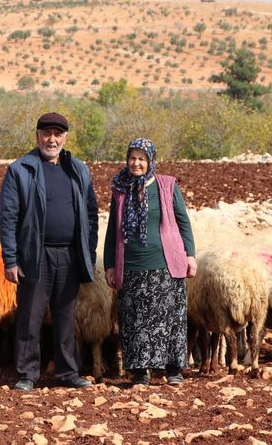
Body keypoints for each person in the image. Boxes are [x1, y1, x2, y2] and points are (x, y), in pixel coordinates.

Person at [0, 112, 99, 391]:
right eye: (46, 133)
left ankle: (68, 372)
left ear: (65, 137)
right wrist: (11, 259)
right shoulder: (21, 169)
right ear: (37, 135)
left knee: (66, 315)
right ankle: (27, 375)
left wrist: (87, 254)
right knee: (30, 315)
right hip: (35, 254)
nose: (51, 139)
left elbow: (91, 214)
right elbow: (8, 217)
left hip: (69, 253)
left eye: (57, 134)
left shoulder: (78, 169)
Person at [103, 137, 196, 386]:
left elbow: (183, 222)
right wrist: (110, 264)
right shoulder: (120, 189)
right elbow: (113, 228)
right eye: (132, 158)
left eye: (142, 159)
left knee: (169, 317)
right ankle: (140, 372)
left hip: (166, 263)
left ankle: (173, 369)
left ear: (150, 160)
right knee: (135, 319)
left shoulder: (166, 185)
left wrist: (190, 255)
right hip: (131, 265)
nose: (136, 163)